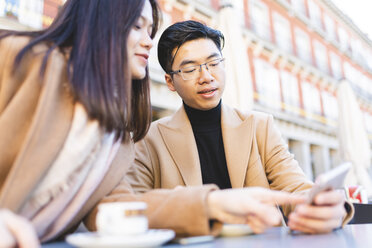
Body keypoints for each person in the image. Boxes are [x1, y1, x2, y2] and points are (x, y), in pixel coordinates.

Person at [93, 20, 353, 236]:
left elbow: (296, 188)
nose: (206, 76)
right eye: (190, 68)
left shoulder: (259, 126)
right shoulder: (146, 138)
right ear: (170, 82)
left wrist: (326, 208)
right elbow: (128, 211)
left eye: (214, 63)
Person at [0, 0, 160, 246]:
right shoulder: (18, 55)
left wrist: (211, 205)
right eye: (137, 26)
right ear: (100, 22)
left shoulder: (114, 136)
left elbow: (119, 207)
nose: (149, 41)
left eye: (150, 31)